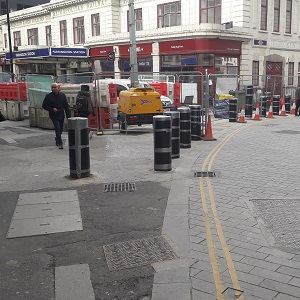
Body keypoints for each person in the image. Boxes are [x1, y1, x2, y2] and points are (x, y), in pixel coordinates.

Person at [42, 83, 71, 149]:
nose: (53, 89)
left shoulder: (62, 95)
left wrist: (68, 116)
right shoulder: (48, 96)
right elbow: (44, 105)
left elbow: (66, 106)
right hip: (53, 115)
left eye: (55, 87)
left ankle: (57, 139)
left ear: (58, 88)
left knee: (60, 129)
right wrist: (52, 109)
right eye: (52, 87)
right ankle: (60, 143)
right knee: (57, 128)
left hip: (61, 114)